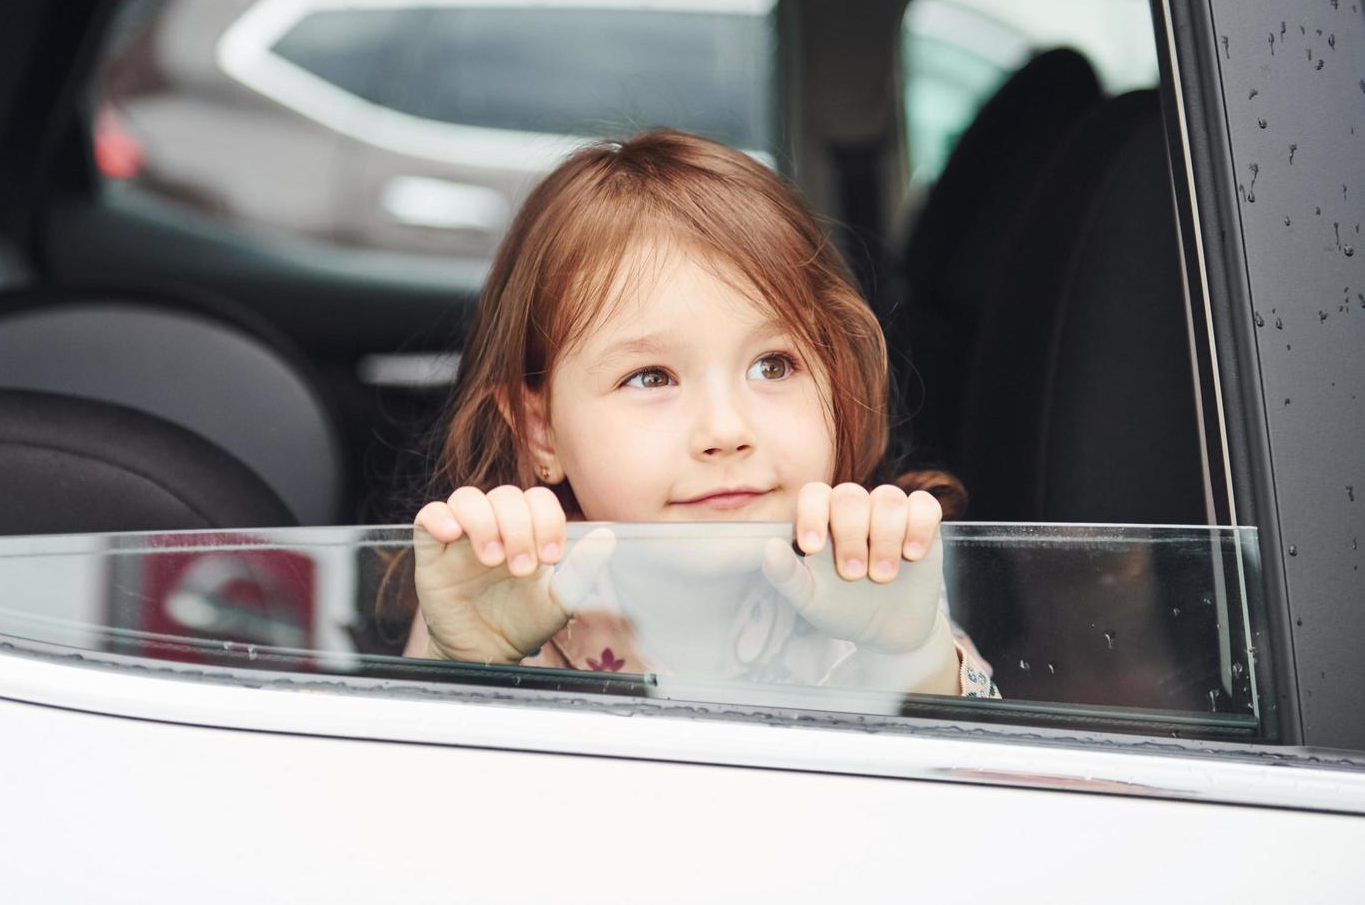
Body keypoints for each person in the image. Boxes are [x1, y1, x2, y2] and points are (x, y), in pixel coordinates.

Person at [392, 129, 998, 699]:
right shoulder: (501, 587)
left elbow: (988, 789)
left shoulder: (872, 572)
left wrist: (910, 659)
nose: (725, 432)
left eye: (774, 366)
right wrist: (465, 665)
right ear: (539, 430)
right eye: (650, 378)